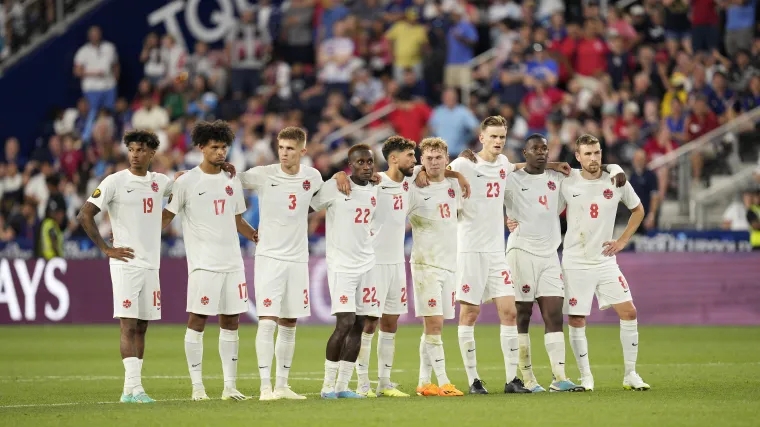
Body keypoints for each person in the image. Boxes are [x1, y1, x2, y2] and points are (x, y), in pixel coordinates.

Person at [443, 116, 569, 395]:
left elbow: (523, 167)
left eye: (502, 136)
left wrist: (553, 165)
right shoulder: (465, 163)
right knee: (470, 313)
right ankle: (474, 380)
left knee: (510, 312)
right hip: (470, 250)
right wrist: (458, 174)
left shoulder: (503, 165)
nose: (499, 141)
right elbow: (434, 170)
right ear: (481, 137)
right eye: (494, 136)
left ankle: (512, 379)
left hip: (496, 251)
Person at [503, 134, 625, 393]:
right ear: (524, 152)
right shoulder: (512, 179)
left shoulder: (560, 178)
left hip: (549, 255)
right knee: (523, 314)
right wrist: (507, 217)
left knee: (554, 314)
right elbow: (490, 196)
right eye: (535, 149)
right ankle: (527, 378)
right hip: (520, 251)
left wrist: (617, 167)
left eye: (544, 149)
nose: (541, 153)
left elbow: (592, 169)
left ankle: (559, 377)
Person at [353, 135, 470, 398]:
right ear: (396, 158)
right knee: (369, 323)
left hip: (415, 264)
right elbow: (352, 178)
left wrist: (459, 176)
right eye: (419, 157)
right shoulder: (380, 181)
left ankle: (390, 382)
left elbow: (428, 169)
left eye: (436, 158)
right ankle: (363, 383)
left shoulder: (420, 180)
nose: (423, 162)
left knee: (391, 324)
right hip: (385, 262)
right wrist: (340, 176)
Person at [161, 120, 257, 401]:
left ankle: (229, 387)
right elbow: (167, 217)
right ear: (201, 148)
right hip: (204, 264)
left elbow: (238, 220)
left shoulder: (232, 180)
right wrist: (141, 234)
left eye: (224, 147)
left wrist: (257, 237)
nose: (220, 152)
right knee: (198, 319)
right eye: (214, 147)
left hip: (233, 263)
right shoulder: (186, 181)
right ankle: (197, 387)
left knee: (231, 322)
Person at [77, 130, 172, 403]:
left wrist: (220, 169)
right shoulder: (115, 182)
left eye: (141, 149)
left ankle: (130, 391)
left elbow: (186, 189)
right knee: (128, 325)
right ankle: (134, 388)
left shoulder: (160, 183)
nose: (134, 154)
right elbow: (84, 214)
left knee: (142, 326)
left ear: (152, 153)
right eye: (131, 149)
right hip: (125, 264)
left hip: (151, 265)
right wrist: (106, 249)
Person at [555, 134, 649, 391]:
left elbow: (638, 210)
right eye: (588, 154)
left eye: (597, 153)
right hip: (575, 261)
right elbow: (549, 211)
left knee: (629, 312)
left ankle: (630, 373)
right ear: (578, 157)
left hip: (605, 260)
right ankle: (586, 377)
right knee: (576, 319)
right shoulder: (568, 181)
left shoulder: (616, 180)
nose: (594, 158)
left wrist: (622, 240)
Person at [237, 127, 324, 401]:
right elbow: (231, 180)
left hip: (298, 258)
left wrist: (343, 175)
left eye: (290, 148)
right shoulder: (264, 174)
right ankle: (265, 387)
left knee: (289, 322)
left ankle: (283, 385)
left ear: (302, 151)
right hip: (269, 258)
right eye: (281, 147)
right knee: (267, 321)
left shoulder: (312, 177)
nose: (284, 153)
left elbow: (325, 199)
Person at [311, 144, 378, 399]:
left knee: (360, 324)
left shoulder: (376, 188)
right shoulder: (336, 186)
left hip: (367, 264)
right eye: (360, 162)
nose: (366, 166)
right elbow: (308, 206)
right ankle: (327, 386)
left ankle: (343, 387)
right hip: (342, 265)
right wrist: (334, 176)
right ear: (350, 165)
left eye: (369, 162)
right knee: (345, 322)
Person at [408, 137, 464, 398]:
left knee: (431, 328)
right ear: (421, 160)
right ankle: (443, 382)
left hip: (449, 265)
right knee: (435, 325)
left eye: (437, 157)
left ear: (446, 158)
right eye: (427, 158)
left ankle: (423, 383)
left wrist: (458, 174)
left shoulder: (454, 184)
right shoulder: (412, 185)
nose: (433, 162)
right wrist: (417, 173)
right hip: (425, 265)